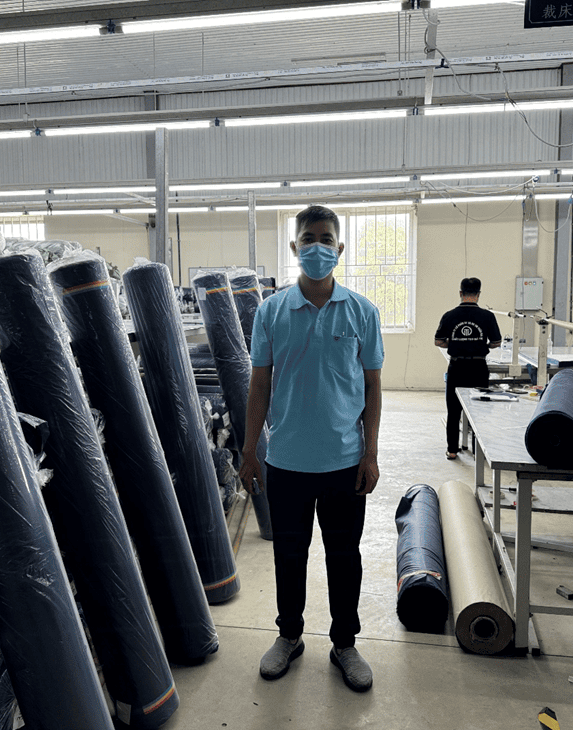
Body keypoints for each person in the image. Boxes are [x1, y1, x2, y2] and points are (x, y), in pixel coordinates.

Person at [239, 205, 384, 693]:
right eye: (308, 238)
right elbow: (259, 385)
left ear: (339, 248)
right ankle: (289, 636)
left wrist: (370, 453)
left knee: (344, 557)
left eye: (326, 239)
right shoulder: (271, 311)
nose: (317, 247)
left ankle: (345, 644)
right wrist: (249, 450)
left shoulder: (362, 311)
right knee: (289, 556)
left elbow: (372, 387)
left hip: (345, 462)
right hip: (286, 462)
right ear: (294, 246)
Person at [434, 277, 501, 460]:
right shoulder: (487, 316)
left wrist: (454, 343)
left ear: (460, 293)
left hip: (457, 367)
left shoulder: (449, 316)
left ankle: (452, 450)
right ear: (478, 294)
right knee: (479, 411)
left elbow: (438, 341)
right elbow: (496, 342)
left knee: (453, 411)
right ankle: (478, 451)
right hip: (478, 367)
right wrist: (482, 345)